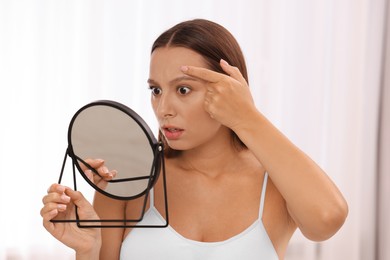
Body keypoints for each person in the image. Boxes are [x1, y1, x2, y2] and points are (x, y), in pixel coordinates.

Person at [41, 19, 348, 260]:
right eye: (156, 90)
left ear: (229, 91)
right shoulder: (128, 179)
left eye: (183, 89)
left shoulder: (277, 182)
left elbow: (327, 220)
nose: (164, 109)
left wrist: (247, 116)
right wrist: (87, 250)